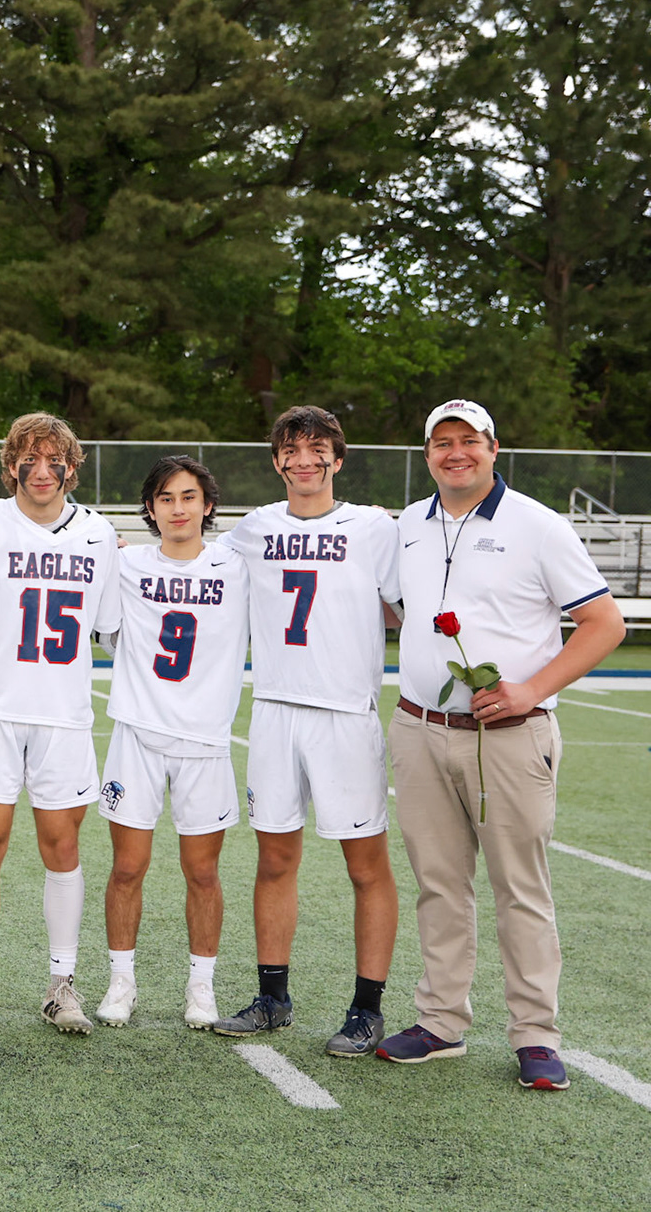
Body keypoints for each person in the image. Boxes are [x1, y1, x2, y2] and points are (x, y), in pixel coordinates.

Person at [377, 399, 624, 1089]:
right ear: (427, 453)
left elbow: (604, 624)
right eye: (441, 442)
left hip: (511, 737)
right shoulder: (410, 524)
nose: (454, 453)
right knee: (439, 885)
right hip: (422, 728)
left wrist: (530, 688)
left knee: (521, 889)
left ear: (493, 447)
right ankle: (441, 1021)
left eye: (468, 441)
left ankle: (535, 1034)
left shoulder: (539, 525)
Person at [210, 405, 401, 1057]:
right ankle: (273, 998)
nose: (305, 459)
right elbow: (186, 562)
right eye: (292, 449)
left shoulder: (374, 528)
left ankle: (367, 1007)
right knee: (274, 859)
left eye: (318, 448)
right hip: (274, 710)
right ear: (277, 461)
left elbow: (415, 601)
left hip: (345, 715)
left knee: (366, 864)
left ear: (338, 459)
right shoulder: (254, 529)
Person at [0, 412, 122, 1034]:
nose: (41, 471)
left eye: (54, 459)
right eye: (29, 458)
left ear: (73, 466)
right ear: (10, 462)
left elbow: (115, 629)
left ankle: (61, 982)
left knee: (63, 849)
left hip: (64, 716)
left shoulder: (99, 535)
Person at [93, 456, 249, 1031]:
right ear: (150, 510)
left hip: (205, 740)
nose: (177, 508)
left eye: (188, 497)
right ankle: (120, 981)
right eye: (165, 498)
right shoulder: (127, 562)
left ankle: (201, 988)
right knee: (127, 867)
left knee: (202, 872)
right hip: (137, 731)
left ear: (208, 505)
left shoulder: (237, 563)